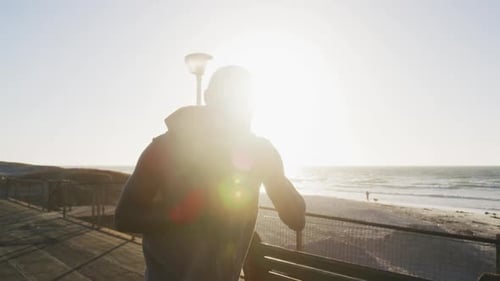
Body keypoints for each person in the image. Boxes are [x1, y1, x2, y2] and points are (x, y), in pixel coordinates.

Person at [114, 66, 306, 281]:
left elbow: (296, 219)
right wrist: (186, 212)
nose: (235, 107)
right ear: (208, 98)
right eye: (228, 99)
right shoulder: (166, 147)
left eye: (242, 100)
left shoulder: (260, 152)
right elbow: (124, 217)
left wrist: (275, 176)